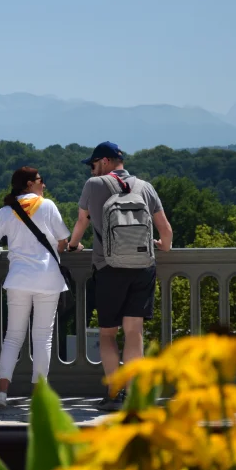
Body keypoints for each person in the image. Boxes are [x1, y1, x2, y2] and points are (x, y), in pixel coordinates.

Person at [67, 141, 173, 411]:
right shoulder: (145, 187)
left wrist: (71, 246)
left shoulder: (95, 185)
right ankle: (133, 395)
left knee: (107, 334)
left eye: (92, 165)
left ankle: (113, 395)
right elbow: (166, 233)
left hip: (109, 268)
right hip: (142, 267)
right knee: (134, 332)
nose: (91, 170)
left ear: (104, 162)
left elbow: (82, 221)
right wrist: (161, 245)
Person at [0, 167, 73, 409]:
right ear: (29, 184)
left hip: (19, 279)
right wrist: (59, 247)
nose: (43, 185)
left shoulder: (7, 210)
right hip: (47, 279)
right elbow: (63, 239)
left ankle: (1, 392)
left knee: (13, 336)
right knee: (43, 337)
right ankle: (39, 394)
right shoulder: (47, 206)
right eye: (40, 181)